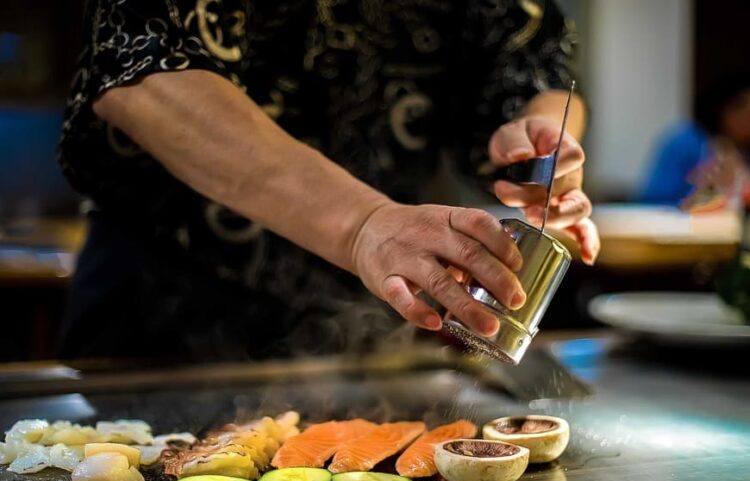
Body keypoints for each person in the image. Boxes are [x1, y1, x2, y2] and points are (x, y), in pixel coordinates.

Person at [57, 0, 599, 361]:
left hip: (361, 316)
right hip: (165, 305)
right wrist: (362, 224)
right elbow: (142, 71)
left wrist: (544, 139)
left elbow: (535, 64)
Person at [639, 73, 750, 209]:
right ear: (723, 108)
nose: (746, 119)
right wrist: (700, 198)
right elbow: (652, 201)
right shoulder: (686, 141)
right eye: (740, 107)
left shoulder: (743, 151)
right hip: (677, 225)